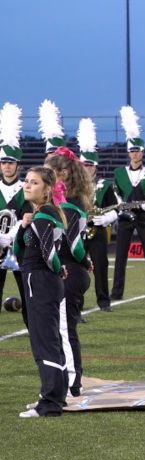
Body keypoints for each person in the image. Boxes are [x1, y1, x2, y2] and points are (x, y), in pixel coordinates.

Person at [13, 167, 68, 418]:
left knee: (44, 342)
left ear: (46, 189)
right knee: (51, 340)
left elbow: (47, 253)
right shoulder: (42, 214)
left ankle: (50, 403)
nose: (27, 185)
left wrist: (57, 270)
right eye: (26, 181)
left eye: (33, 182)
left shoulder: (44, 215)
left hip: (40, 281)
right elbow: (21, 252)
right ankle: (56, 394)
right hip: (42, 280)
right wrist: (23, 228)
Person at [44, 148, 92, 398]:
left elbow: (73, 243)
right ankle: (71, 378)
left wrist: (85, 259)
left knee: (65, 329)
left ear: (63, 173)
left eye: (50, 171)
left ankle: (73, 381)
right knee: (63, 328)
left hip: (70, 271)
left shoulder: (69, 205)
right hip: (71, 270)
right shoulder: (69, 201)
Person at [111, 106, 145, 302]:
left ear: (142, 152)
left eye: (137, 151)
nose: (135, 154)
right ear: (128, 152)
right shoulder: (119, 173)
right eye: (132, 151)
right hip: (125, 217)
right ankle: (116, 293)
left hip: (143, 217)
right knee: (120, 258)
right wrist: (120, 205)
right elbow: (115, 193)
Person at [77, 119, 117, 312]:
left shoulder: (105, 186)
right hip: (77, 232)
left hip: (98, 230)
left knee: (100, 266)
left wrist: (107, 218)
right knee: (77, 268)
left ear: (95, 167)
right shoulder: (72, 187)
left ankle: (104, 301)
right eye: (84, 165)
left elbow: (116, 209)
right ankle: (77, 303)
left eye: (90, 165)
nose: (87, 168)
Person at [0, 102, 28, 325]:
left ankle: (34, 332)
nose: (7, 166)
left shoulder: (27, 187)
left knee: (28, 296)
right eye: (3, 162)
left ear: (18, 165)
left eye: (11, 163)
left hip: (21, 248)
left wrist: (14, 234)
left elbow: (30, 215)